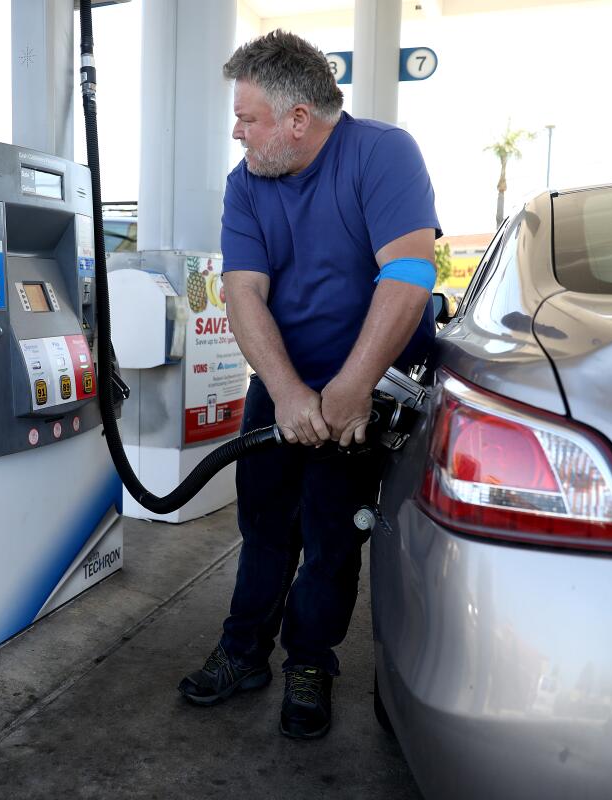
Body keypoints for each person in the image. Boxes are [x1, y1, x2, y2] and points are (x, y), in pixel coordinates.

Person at [177, 30, 440, 740]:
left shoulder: (382, 153)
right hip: (284, 380)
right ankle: (243, 652)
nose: (237, 131)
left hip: (367, 379)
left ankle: (311, 663)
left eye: (248, 117)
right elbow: (242, 293)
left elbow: (410, 274)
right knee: (263, 522)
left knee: (330, 530)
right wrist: (289, 394)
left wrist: (352, 388)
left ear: (299, 119)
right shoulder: (246, 186)